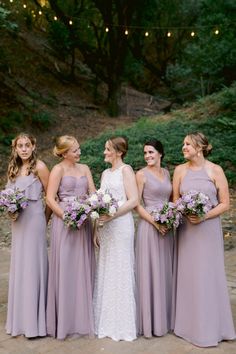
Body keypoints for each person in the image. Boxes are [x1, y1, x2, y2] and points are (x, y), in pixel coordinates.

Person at [172, 132, 236, 347]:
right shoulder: (179, 170)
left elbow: (225, 203)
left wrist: (204, 215)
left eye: (187, 144)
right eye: (183, 144)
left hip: (207, 230)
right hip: (187, 231)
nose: (184, 147)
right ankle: (188, 326)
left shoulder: (215, 170)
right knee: (189, 275)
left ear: (199, 147)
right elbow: (175, 199)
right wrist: (184, 211)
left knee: (208, 275)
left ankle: (213, 327)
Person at [46, 135, 96, 340]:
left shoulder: (85, 169)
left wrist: (94, 206)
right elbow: (50, 198)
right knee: (66, 267)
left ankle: (82, 318)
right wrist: (66, 216)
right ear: (64, 152)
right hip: (65, 223)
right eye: (75, 150)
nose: (79, 152)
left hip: (83, 223)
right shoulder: (58, 170)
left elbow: (93, 193)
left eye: (79, 148)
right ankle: (64, 321)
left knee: (81, 267)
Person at [93, 136, 138, 341]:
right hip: (105, 228)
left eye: (108, 149)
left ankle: (122, 325)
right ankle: (106, 321)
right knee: (106, 269)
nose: (104, 152)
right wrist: (96, 228)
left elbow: (134, 200)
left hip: (121, 226)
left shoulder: (126, 170)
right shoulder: (104, 173)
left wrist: (113, 214)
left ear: (119, 152)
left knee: (121, 269)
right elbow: (99, 202)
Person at [5, 133, 50, 338]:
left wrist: (45, 219)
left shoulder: (40, 167)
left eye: (27, 145)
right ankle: (21, 321)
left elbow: (51, 197)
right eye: (19, 146)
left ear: (33, 146)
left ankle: (37, 323)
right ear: (15, 149)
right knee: (21, 266)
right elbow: (8, 196)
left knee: (33, 265)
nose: (23, 149)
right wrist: (10, 210)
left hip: (35, 220)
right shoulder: (13, 170)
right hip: (18, 223)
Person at [135, 139, 174, 338]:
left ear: (160, 153)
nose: (148, 156)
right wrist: (155, 222)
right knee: (150, 271)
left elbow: (171, 200)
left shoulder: (167, 173)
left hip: (167, 227)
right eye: (145, 153)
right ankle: (151, 322)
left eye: (151, 152)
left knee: (165, 270)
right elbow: (137, 205)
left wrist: (170, 218)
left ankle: (165, 319)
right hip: (150, 227)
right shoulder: (140, 175)